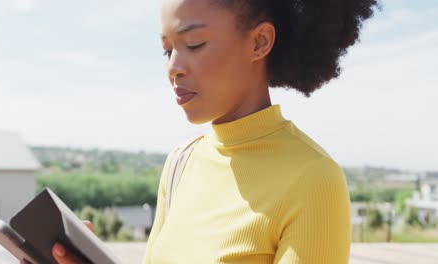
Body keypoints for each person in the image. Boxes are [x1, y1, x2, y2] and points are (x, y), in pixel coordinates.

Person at [35, 0, 379, 263]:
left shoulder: (314, 179)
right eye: (166, 50)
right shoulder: (181, 162)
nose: (173, 68)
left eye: (194, 44)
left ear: (259, 42)